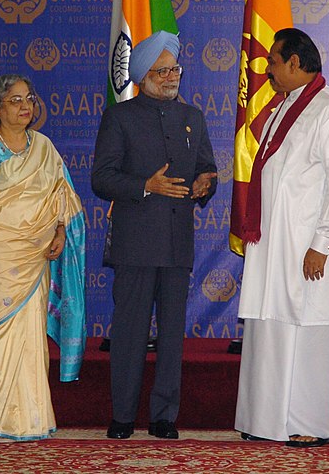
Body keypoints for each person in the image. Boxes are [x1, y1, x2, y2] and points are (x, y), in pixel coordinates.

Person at [235, 28, 329, 448]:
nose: (267, 69)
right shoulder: (283, 106)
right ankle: (266, 420)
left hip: (308, 244)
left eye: (273, 61)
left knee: (308, 328)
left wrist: (322, 244)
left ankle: (308, 422)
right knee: (269, 324)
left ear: (295, 63)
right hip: (273, 243)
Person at [91, 30, 217, 440]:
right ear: (143, 76)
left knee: (172, 335)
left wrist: (205, 185)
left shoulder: (192, 117)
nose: (170, 77)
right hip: (135, 244)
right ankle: (123, 416)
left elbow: (207, 169)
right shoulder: (120, 116)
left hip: (178, 244)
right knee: (128, 334)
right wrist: (147, 185)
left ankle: (164, 416)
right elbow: (102, 179)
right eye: (161, 71)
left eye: (174, 69)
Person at [0, 74, 86, 442]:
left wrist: (60, 232)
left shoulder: (45, 147)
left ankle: (29, 420)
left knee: (31, 337)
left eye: (28, 98)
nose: (24, 106)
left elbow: (60, 197)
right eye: (15, 100)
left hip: (35, 258)